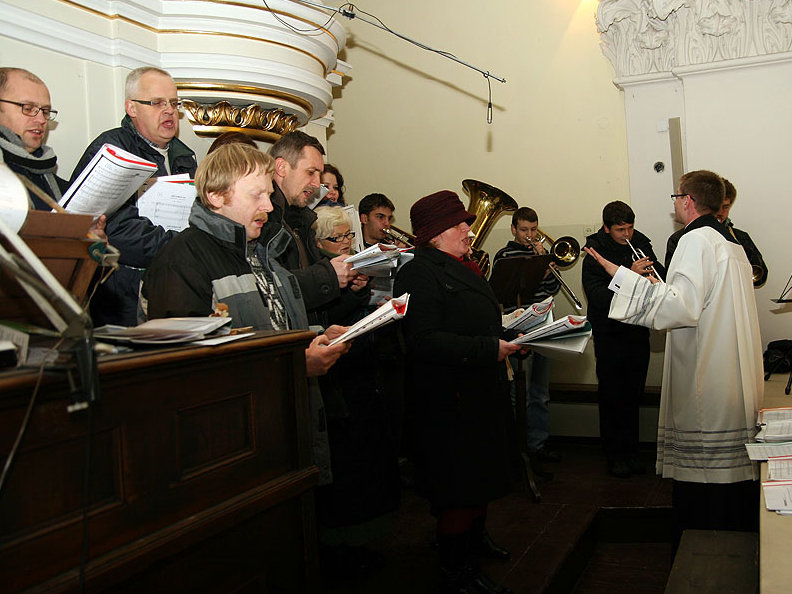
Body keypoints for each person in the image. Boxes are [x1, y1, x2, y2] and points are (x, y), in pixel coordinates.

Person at [142, 143, 350, 486]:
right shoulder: (182, 260)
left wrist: (314, 337)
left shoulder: (261, 252)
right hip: (231, 449)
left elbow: (272, 327)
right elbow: (184, 371)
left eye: (269, 195)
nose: (268, 207)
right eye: (256, 196)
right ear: (216, 196)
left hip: (280, 430)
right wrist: (296, 363)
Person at [585, 171, 762, 534]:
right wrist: (643, 283)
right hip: (730, 369)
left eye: (677, 197)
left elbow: (679, 309)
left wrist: (621, 276)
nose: (677, 203)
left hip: (706, 372)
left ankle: (702, 541)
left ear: (688, 201)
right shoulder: (731, 245)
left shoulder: (694, 241)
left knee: (704, 487)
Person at [394, 190, 521, 594]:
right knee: (458, 490)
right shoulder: (418, 273)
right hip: (450, 403)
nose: (469, 229)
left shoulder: (463, 266)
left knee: (480, 478)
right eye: (459, 224)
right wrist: (489, 348)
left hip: (479, 393)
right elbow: (424, 340)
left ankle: (473, 542)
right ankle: (456, 570)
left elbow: (474, 321)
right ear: (434, 234)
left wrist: (516, 332)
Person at [71, 66, 197, 327]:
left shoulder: (185, 157)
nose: (169, 111)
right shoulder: (112, 150)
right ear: (132, 108)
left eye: (174, 103)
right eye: (156, 103)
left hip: (173, 289)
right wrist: (186, 248)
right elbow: (117, 231)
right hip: (124, 301)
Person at [581, 201, 665, 478]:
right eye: (620, 230)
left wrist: (653, 277)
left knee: (633, 395)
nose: (627, 234)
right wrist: (630, 275)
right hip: (610, 334)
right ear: (607, 228)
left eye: (630, 227)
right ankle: (614, 456)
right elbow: (598, 297)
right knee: (612, 396)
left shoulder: (640, 243)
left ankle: (631, 453)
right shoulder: (594, 252)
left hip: (637, 331)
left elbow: (660, 277)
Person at [492, 207, 562, 466]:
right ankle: (515, 445)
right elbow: (501, 292)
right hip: (517, 326)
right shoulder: (505, 255)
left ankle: (538, 444)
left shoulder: (542, 254)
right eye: (524, 230)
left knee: (540, 390)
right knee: (518, 390)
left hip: (544, 323)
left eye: (534, 229)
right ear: (513, 229)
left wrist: (546, 267)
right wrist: (532, 274)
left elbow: (553, 289)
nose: (530, 235)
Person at [265, 131, 360, 313]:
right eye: (311, 172)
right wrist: (327, 276)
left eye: (319, 174)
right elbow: (270, 289)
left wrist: (354, 291)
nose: (317, 184)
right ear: (281, 167)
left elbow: (314, 307)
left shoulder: (302, 220)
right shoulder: (265, 218)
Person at [0, 68, 66, 210]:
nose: (41, 119)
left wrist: (86, 231)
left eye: (46, 111)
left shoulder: (59, 186)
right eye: (28, 108)